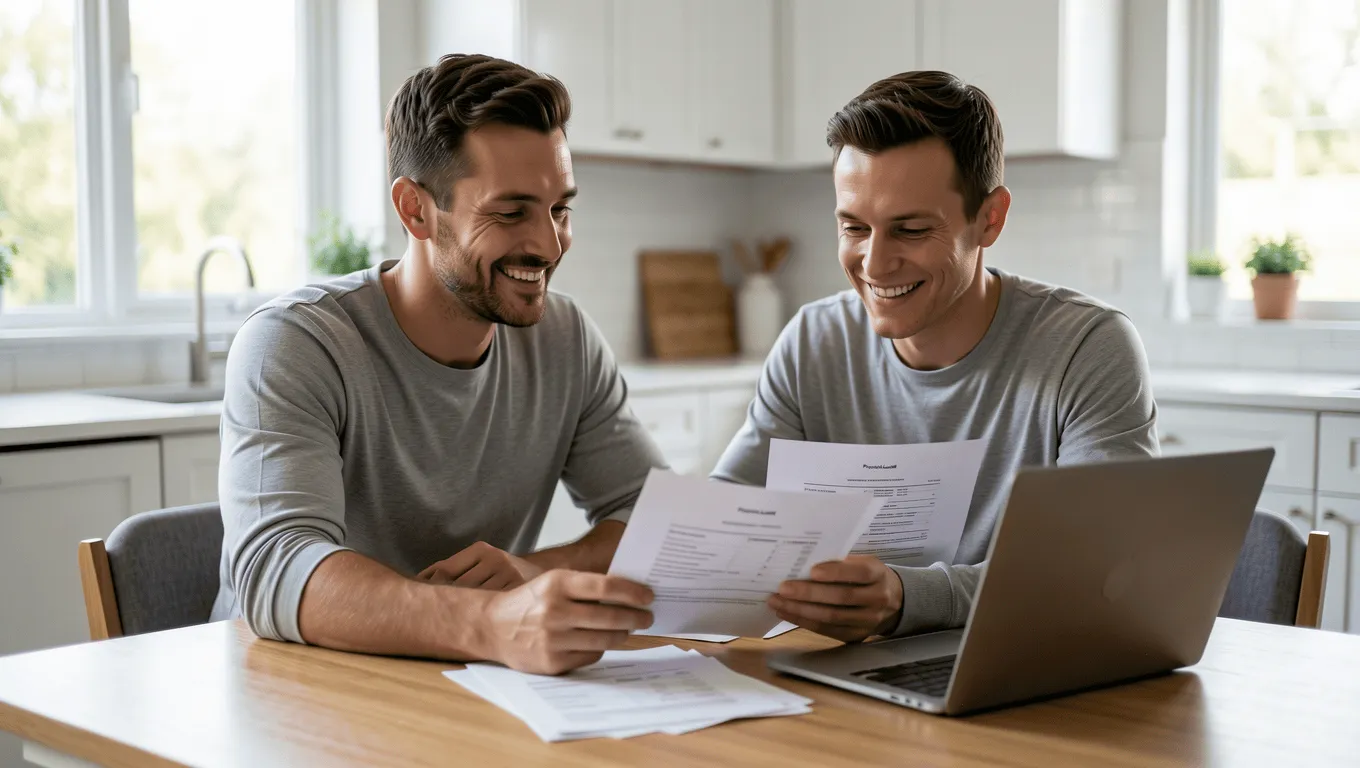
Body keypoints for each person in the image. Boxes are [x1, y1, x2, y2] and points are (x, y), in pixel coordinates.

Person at [210, 54, 663, 675]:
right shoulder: (296, 344)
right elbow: (277, 569)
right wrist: (492, 623)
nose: (550, 245)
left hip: (461, 683)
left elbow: (653, 519)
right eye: (511, 212)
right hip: (292, 688)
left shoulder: (566, 339)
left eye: (560, 210)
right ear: (415, 210)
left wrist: (534, 574)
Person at [712, 71, 1159, 642]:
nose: (874, 264)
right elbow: (728, 521)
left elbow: (1101, 570)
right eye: (854, 227)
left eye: (911, 229)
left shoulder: (1087, 348)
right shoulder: (812, 340)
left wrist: (907, 598)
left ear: (989, 219)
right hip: (841, 680)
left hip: (1029, 673)